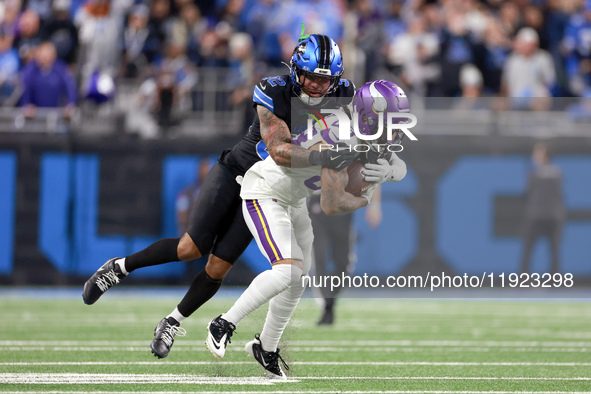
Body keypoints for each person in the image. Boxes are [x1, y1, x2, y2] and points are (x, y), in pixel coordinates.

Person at [82, 32, 395, 360]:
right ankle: (119, 267)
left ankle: (171, 322)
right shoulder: (274, 90)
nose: (317, 86)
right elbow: (278, 150)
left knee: (218, 268)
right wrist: (326, 155)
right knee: (191, 247)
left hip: (271, 190)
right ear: (296, 72)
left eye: (324, 80)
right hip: (240, 171)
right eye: (310, 78)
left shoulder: (343, 94)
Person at [205, 80, 409, 379]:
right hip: (266, 192)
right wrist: (364, 198)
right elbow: (331, 204)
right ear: (368, 115)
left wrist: (391, 171)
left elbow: (397, 162)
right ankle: (224, 322)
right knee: (288, 271)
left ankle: (267, 347)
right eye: (388, 120)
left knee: (298, 281)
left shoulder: (361, 130)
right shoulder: (342, 137)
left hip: (294, 200)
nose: (393, 129)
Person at [520, 142, 565, 275]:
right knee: (531, 250)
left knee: (552, 250)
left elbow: (527, 192)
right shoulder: (555, 172)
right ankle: (524, 278)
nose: (535, 156)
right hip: (543, 216)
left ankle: (553, 279)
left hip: (544, 217)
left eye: (538, 153)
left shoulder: (539, 173)